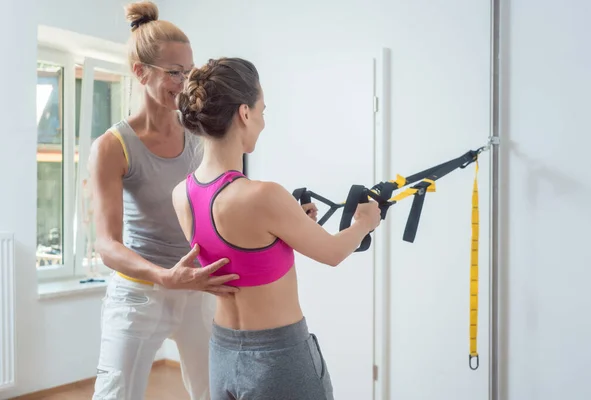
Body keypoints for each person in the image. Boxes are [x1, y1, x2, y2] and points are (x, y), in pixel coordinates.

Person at [88, 2, 320, 399]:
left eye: (189, 71)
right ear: (140, 72)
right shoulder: (112, 146)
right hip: (140, 291)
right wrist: (163, 276)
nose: (184, 81)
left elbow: (234, 203)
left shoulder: (204, 133)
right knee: (115, 393)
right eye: (174, 72)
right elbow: (106, 244)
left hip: (203, 285)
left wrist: (286, 219)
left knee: (213, 391)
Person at [172, 57, 383, 400]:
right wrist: (364, 223)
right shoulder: (264, 195)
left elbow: (239, 251)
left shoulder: (181, 194)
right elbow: (332, 253)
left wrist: (292, 224)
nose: (263, 122)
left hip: (222, 354)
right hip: (277, 359)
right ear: (244, 113)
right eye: (262, 111)